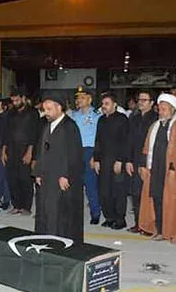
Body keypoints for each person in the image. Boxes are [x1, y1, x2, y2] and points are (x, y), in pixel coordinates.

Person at [138, 93, 176, 243]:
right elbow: (146, 148)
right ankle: (160, 230)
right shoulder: (155, 126)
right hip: (155, 169)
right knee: (157, 199)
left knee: (173, 202)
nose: (161, 112)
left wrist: (175, 168)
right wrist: (143, 165)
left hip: (172, 171)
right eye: (160, 109)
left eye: (164, 109)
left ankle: (174, 233)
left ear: (172, 110)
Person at [33, 94, 84, 242]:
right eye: (44, 109)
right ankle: (46, 239)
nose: (45, 112)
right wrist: (37, 172)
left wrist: (66, 175)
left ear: (59, 107)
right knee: (45, 209)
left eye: (49, 109)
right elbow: (41, 150)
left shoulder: (70, 126)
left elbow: (74, 154)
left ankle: (60, 242)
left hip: (61, 178)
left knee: (60, 212)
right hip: (47, 176)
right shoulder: (47, 126)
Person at [93, 92, 129, 229]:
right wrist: (96, 159)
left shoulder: (122, 119)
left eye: (107, 104)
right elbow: (97, 140)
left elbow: (125, 141)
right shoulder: (101, 120)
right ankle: (109, 217)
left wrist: (120, 160)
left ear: (115, 105)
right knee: (104, 191)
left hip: (116, 160)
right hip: (103, 160)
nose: (104, 106)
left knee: (118, 191)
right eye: (103, 104)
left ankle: (120, 219)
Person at [3, 88, 39, 215]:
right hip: (11, 150)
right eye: (13, 100)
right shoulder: (11, 113)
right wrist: (3, 151)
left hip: (25, 150)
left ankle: (26, 207)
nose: (15, 102)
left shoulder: (32, 113)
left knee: (25, 179)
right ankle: (16, 205)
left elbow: (34, 134)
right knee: (12, 179)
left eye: (17, 100)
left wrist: (30, 152)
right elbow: (6, 133)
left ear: (23, 98)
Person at [126, 90, 158, 233]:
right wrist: (128, 161)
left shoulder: (156, 120)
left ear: (152, 103)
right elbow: (128, 142)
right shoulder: (134, 118)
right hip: (134, 160)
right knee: (136, 194)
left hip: (149, 163)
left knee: (149, 195)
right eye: (139, 99)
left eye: (144, 100)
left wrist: (146, 163)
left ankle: (150, 225)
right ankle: (138, 223)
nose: (141, 102)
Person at [70, 87, 102, 224]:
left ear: (89, 99)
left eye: (82, 98)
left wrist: (95, 156)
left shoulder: (97, 115)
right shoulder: (73, 115)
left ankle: (95, 212)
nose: (79, 100)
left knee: (90, 184)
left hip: (90, 150)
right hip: (76, 151)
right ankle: (75, 212)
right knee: (75, 184)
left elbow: (99, 138)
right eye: (78, 98)